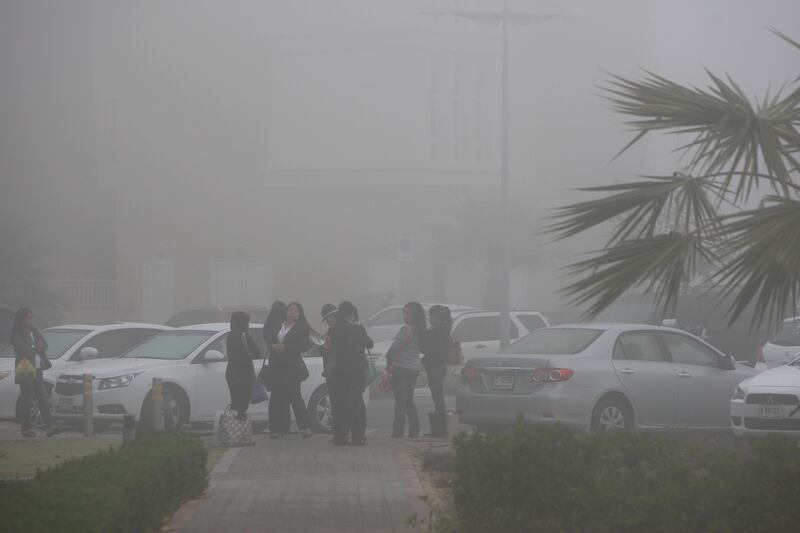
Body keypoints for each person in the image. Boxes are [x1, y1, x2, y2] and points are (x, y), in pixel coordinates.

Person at [265, 301, 312, 438]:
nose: (292, 312)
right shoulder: (278, 325)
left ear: (300, 314)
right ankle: (276, 429)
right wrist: (273, 346)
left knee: (295, 397)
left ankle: (305, 426)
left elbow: (304, 346)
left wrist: (287, 348)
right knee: (276, 398)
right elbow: (268, 338)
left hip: (292, 367)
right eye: (290, 309)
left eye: (295, 310)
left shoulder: (302, 327)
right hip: (276, 366)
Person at [10, 308, 59, 437]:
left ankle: (50, 426)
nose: (30, 320)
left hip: (38, 369)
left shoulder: (34, 332)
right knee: (27, 398)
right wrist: (37, 348)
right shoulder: (17, 334)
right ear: (21, 319)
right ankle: (26, 428)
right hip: (26, 369)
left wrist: (36, 337)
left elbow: (45, 345)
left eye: (31, 317)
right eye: (27, 317)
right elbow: (25, 351)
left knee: (42, 397)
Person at [329, 301, 373, 445]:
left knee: (339, 404)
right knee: (355, 404)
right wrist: (362, 329)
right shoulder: (357, 329)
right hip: (355, 371)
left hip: (339, 371)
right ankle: (357, 436)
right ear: (353, 314)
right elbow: (369, 344)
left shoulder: (334, 329)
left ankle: (340, 436)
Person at [386, 301, 426, 438]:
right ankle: (414, 429)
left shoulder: (406, 330)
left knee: (400, 402)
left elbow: (393, 350)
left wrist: (388, 362)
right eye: (404, 312)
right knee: (409, 400)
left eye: (408, 312)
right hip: (414, 369)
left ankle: (398, 431)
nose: (405, 315)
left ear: (414, 315)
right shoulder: (420, 331)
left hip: (401, 368)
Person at [225, 311, 260, 421]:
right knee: (243, 405)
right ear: (242, 323)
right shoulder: (244, 336)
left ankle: (233, 427)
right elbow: (256, 353)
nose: (248, 325)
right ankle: (239, 427)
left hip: (231, 373)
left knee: (236, 403)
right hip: (243, 374)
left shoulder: (230, 337)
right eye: (247, 322)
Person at [423, 305, 452, 416]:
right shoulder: (444, 329)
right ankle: (440, 417)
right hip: (440, 366)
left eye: (430, 316)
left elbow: (433, 350)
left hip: (435, 366)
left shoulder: (438, 332)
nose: (429, 318)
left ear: (436, 317)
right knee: (438, 393)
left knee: (437, 394)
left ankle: (440, 419)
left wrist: (424, 360)